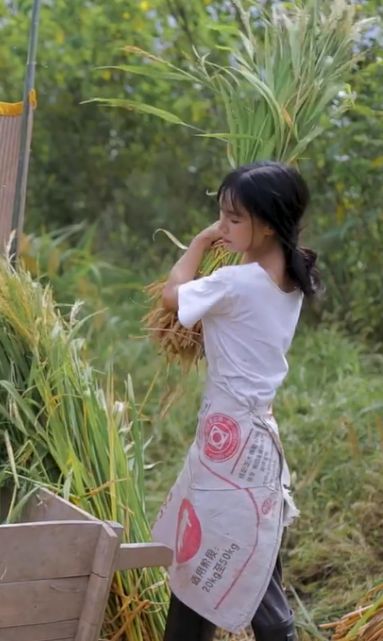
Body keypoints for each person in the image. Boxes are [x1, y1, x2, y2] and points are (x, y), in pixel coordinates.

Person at [151, 160, 321, 641]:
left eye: (232, 219)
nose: (223, 226)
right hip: (252, 438)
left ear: (267, 225)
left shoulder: (237, 282)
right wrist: (236, 233)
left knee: (235, 563)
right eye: (220, 217)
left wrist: (202, 242)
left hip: (232, 449)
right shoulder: (290, 272)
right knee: (215, 556)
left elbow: (171, 296)